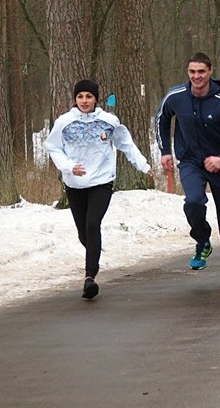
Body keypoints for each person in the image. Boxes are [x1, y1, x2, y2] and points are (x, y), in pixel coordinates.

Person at [45, 79, 154, 299]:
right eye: (80, 97)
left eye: (89, 96)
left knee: (93, 224)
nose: (84, 101)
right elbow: (52, 146)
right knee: (84, 232)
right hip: (75, 183)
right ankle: (94, 252)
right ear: (75, 100)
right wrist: (68, 166)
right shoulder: (64, 122)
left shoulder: (108, 121)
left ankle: (89, 278)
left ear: (96, 99)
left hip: (102, 181)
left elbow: (126, 144)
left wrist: (143, 165)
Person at [155, 53, 220, 284]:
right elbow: (161, 118)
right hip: (190, 161)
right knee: (193, 202)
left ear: (210, 71)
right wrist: (165, 151)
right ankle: (203, 240)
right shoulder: (176, 96)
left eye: (201, 71)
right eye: (192, 72)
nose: (197, 76)